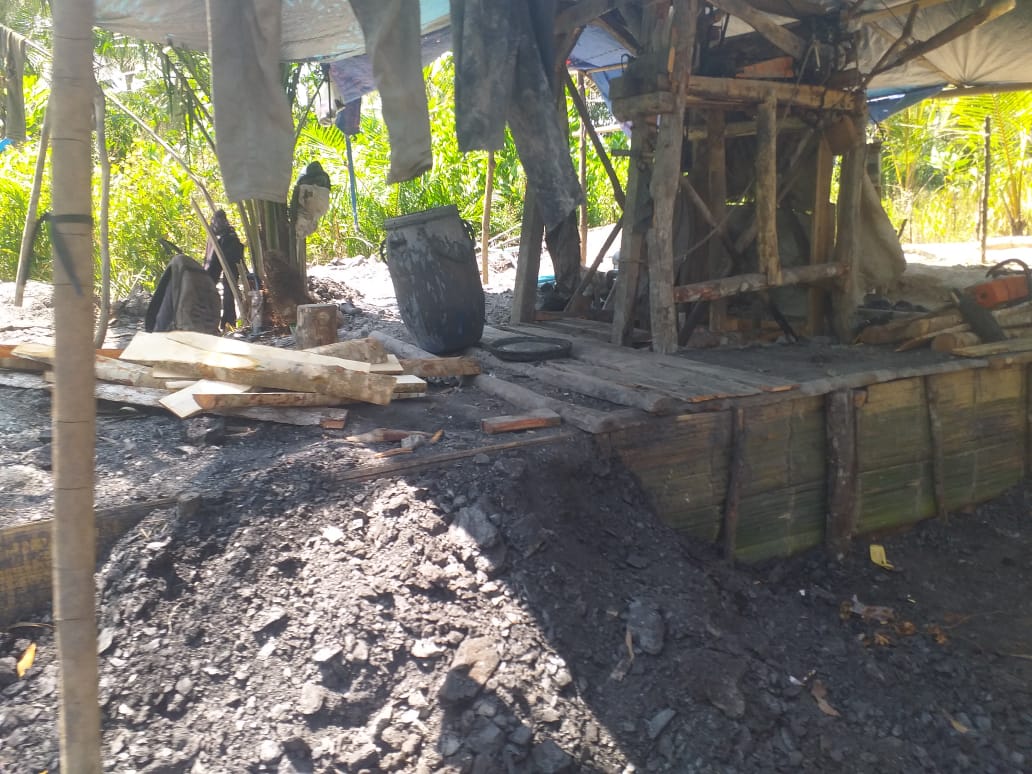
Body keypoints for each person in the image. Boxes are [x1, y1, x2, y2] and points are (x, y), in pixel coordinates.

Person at [203, 209, 246, 330]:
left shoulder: (229, 235)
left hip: (230, 260)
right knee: (210, 288)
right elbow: (210, 262)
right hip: (219, 259)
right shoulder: (214, 234)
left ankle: (228, 322)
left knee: (229, 290)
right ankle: (213, 321)